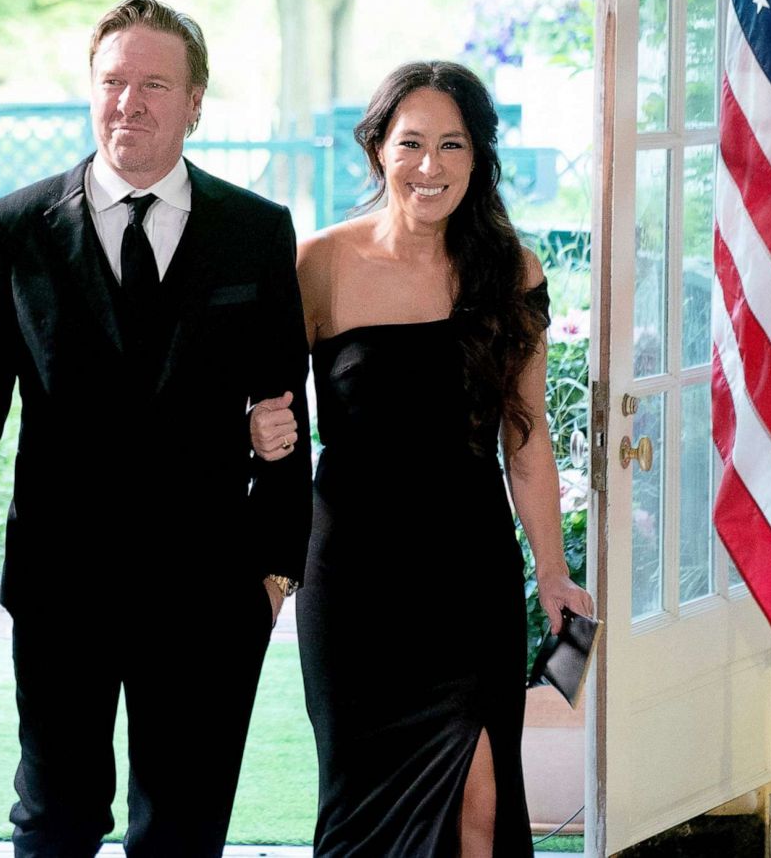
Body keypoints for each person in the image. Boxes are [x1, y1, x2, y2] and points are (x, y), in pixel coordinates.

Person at [0, 0, 313, 858]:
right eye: (112, 81)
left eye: (154, 84)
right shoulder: (14, 230)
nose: (128, 103)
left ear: (196, 100)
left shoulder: (256, 231)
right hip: (63, 582)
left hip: (210, 587)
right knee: (55, 818)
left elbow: (286, 407)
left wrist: (278, 564)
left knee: (183, 829)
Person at [249, 61, 595, 857]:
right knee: (365, 810)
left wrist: (552, 571)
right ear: (377, 149)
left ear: (479, 158)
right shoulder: (320, 263)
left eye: (453, 144)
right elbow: (266, 411)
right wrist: (267, 549)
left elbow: (527, 434)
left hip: (469, 574)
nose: (430, 166)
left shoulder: (512, 271)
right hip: (353, 579)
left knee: (481, 798)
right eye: (411, 143)